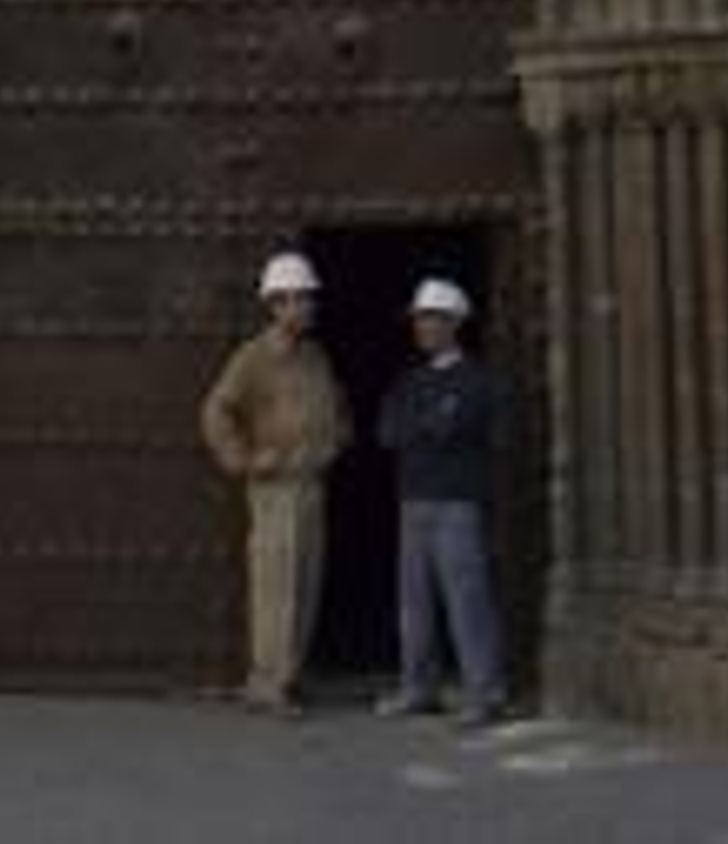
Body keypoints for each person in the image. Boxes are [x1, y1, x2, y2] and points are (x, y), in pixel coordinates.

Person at [200, 249, 351, 716]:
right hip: (274, 486)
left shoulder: (315, 357)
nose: (307, 307)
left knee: (306, 581)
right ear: (276, 303)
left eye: (309, 299)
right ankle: (267, 683)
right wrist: (244, 459)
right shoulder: (254, 358)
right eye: (298, 300)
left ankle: (290, 674)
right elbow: (216, 411)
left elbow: (338, 408)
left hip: (310, 482)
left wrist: (337, 440)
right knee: (276, 584)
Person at [376, 277, 506, 729]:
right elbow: (389, 431)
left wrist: (427, 428)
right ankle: (418, 688)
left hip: (456, 503)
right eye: (419, 318)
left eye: (431, 318)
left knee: (466, 599)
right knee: (414, 603)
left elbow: (453, 428)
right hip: (413, 500)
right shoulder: (409, 381)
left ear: (454, 323)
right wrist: (430, 426)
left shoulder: (477, 381)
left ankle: (484, 693)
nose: (422, 327)